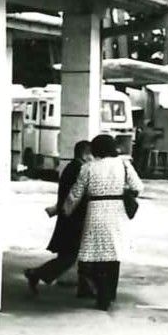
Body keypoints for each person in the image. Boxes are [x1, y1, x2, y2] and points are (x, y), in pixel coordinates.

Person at [64, 133, 143, 310]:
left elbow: (76, 193)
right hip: (117, 212)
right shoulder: (123, 164)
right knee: (113, 254)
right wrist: (122, 189)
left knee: (97, 255)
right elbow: (138, 187)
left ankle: (102, 295)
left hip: (95, 211)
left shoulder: (88, 168)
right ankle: (110, 293)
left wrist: (66, 210)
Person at [24, 140, 92, 297]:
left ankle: (85, 287)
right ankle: (36, 273)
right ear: (85, 154)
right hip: (73, 219)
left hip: (68, 217)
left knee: (70, 255)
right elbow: (75, 196)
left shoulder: (71, 167)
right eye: (91, 154)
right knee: (70, 256)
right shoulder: (79, 169)